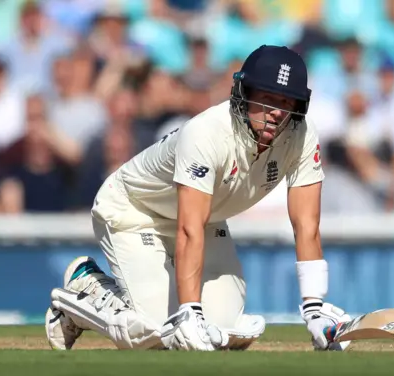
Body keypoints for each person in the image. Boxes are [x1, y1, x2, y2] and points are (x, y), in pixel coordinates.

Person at [45, 45, 352, 351]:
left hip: (204, 216)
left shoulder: (300, 135)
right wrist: (190, 311)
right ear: (243, 93)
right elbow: (189, 229)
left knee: (224, 330)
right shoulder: (206, 132)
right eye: (267, 98)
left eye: (286, 102)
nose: (276, 112)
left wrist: (314, 308)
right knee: (157, 331)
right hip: (136, 210)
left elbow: (306, 224)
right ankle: (82, 292)